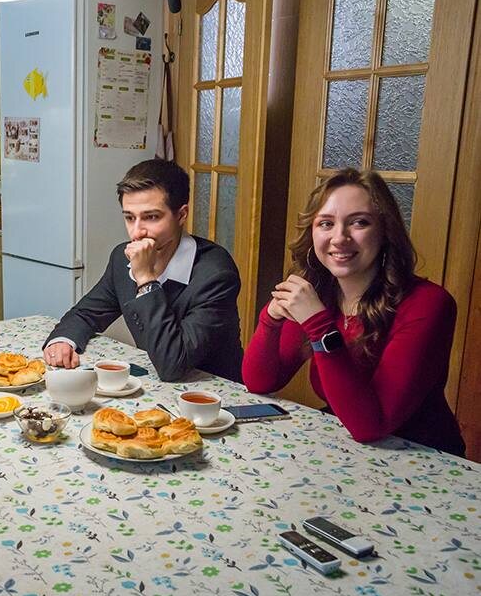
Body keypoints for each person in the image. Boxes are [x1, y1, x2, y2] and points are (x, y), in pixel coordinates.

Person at [242, 169, 465, 456]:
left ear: (385, 231)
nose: (339, 238)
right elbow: (260, 381)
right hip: (348, 449)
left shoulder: (428, 303)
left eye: (359, 222)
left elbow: (372, 424)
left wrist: (319, 326)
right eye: (326, 223)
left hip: (423, 457)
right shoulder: (320, 293)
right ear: (312, 233)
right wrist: (271, 319)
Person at [42, 159, 243, 382]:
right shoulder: (122, 258)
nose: (136, 232)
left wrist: (146, 280)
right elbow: (86, 313)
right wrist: (63, 340)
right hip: (158, 387)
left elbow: (173, 365)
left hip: (216, 393)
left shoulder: (216, 273)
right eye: (129, 217)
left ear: (181, 215)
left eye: (151, 217)